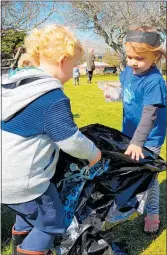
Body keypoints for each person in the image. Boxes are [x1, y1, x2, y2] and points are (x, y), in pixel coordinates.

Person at [1, 24, 101, 255]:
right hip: (25, 181)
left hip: (4, 176)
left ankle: (21, 244)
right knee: (51, 222)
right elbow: (71, 141)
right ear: (62, 60)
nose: (74, 69)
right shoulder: (51, 97)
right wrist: (94, 154)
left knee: (27, 213)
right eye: (75, 64)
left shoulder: (12, 86)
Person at [119, 26, 166, 234]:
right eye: (129, 57)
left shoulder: (154, 81)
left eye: (139, 58)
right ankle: (131, 203)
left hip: (149, 138)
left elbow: (150, 114)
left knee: (149, 175)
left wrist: (138, 142)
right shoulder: (129, 70)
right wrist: (114, 93)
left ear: (154, 57)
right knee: (131, 172)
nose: (132, 63)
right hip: (129, 133)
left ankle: (153, 212)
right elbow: (126, 90)